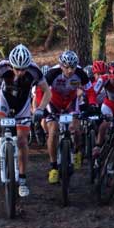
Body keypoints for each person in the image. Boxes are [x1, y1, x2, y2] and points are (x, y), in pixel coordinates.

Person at [0, 44, 51, 197]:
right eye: (17, 68)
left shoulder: (34, 70)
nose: (20, 72)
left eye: (23, 69)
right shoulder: (1, 68)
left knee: (22, 141)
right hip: (4, 101)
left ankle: (22, 179)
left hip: (23, 105)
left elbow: (47, 91)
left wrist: (40, 108)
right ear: (11, 64)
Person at [44, 50, 91, 184]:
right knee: (53, 131)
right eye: (66, 67)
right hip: (54, 102)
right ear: (61, 65)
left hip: (71, 102)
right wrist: (40, 108)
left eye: (73, 67)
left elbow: (90, 90)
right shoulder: (52, 73)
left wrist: (91, 103)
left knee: (75, 128)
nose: (70, 70)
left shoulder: (80, 73)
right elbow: (41, 91)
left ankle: (76, 151)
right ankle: (53, 167)